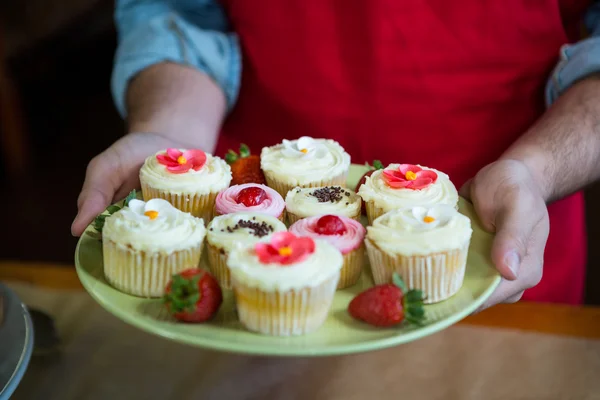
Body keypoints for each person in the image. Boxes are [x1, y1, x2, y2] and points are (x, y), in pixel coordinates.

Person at [72, 0, 600, 310]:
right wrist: (170, 145)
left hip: (499, 229)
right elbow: (182, 12)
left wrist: (533, 170)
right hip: (244, 263)